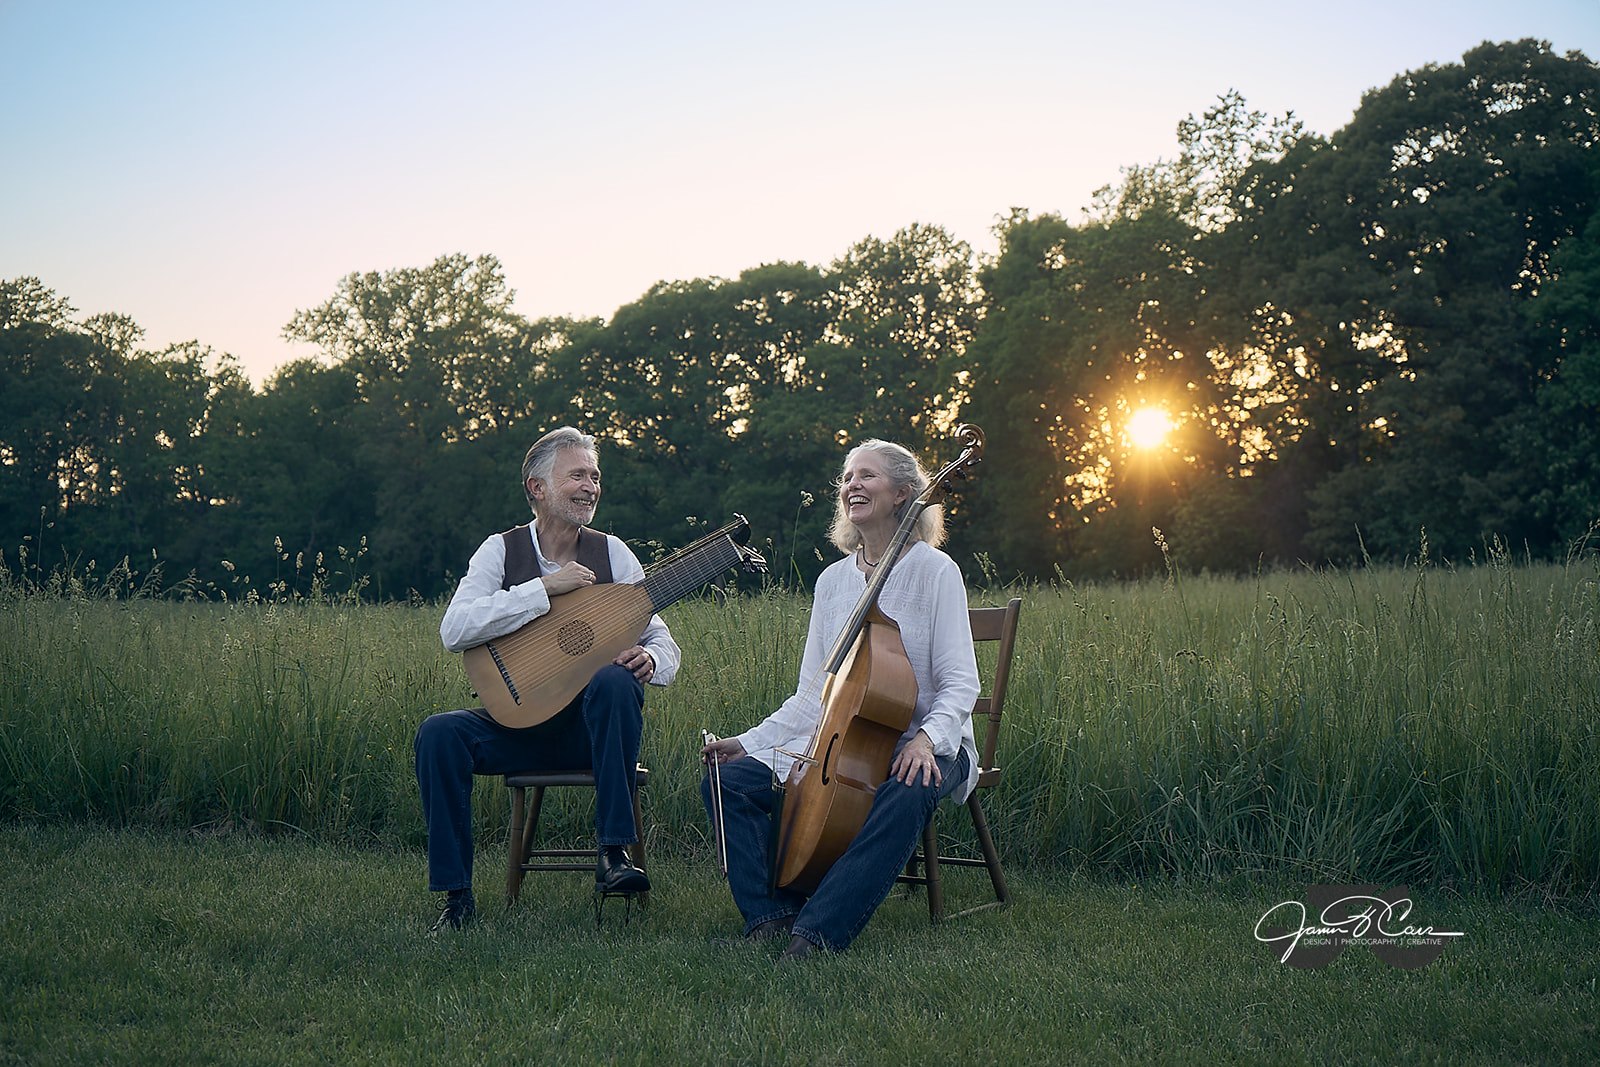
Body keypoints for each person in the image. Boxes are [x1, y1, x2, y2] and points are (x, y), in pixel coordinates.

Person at [701, 438, 979, 960]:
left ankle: (818, 933)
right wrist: (750, 742)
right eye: (848, 477)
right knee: (726, 780)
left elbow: (961, 684)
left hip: (926, 744)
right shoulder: (832, 583)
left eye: (867, 476)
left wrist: (926, 740)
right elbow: (814, 694)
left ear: (902, 494)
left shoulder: (936, 571)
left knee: (909, 785)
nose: (852, 485)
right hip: (839, 745)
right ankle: (770, 914)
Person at [416, 426, 680, 933]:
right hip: (517, 729)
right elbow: (455, 628)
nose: (591, 486)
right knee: (439, 734)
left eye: (595, 476)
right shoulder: (500, 550)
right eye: (577, 475)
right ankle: (457, 899)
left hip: (592, 733)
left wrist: (653, 660)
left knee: (616, 681)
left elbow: (664, 641)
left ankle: (614, 855)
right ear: (537, 488)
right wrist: (542, 589)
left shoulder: (613, 554)